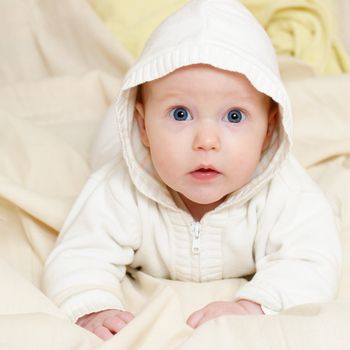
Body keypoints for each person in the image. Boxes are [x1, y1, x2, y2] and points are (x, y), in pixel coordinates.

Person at [42, 0, 341, 341]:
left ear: (270, 131)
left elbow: (312, 260)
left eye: (235, 116)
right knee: (110, 134)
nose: (207, 141)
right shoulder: (118, 187)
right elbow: (79, 254)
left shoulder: (285, 192)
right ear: (142, 127)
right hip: (121, 136)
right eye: (181, 114)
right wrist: (93, 307)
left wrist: (254, 306)